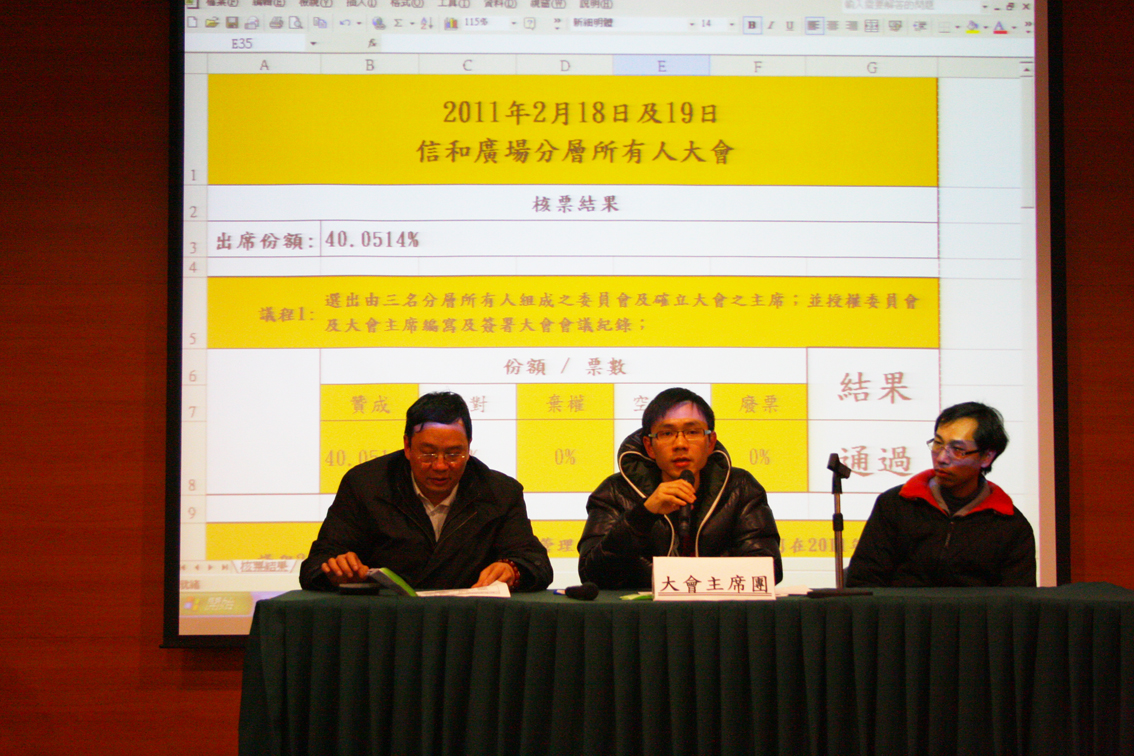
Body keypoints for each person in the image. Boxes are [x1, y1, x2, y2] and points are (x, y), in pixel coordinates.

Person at [300, 392, 552, 592]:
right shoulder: (365, 485)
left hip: (468, 622)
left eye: (453, 454)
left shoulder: (499, 492)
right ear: (407, 446)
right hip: (387, 621)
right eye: (428, 453)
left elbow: (535, 562)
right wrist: (337, 571)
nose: (440, 466)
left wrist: (512, 570)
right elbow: (315, 565)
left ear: (469, 448)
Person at [578, 387, 782, 589]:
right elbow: (592, 574)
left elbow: (767, 569)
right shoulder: (615, 491)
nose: (680, 444)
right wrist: (643, 514)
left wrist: (682, 581)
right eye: (667, 433)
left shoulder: (740, 487)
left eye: (692, 432)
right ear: (649, 446)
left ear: (710, 442)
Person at [846, 401, 1036, 587]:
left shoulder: (1011, 526)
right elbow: (863, 581)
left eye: (958, 450)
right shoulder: (895, 504)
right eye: (938, 443)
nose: (942, 458)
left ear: (987, 457)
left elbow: (1017, 602)